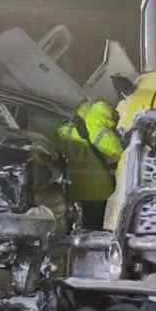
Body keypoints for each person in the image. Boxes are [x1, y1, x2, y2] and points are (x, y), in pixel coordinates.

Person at [58, 92, 124, 230]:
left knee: (83, 225)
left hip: (75, 188)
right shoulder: (102, 132)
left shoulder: (67, 131)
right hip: (100, 190)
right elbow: (121, 155)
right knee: (101, 226)